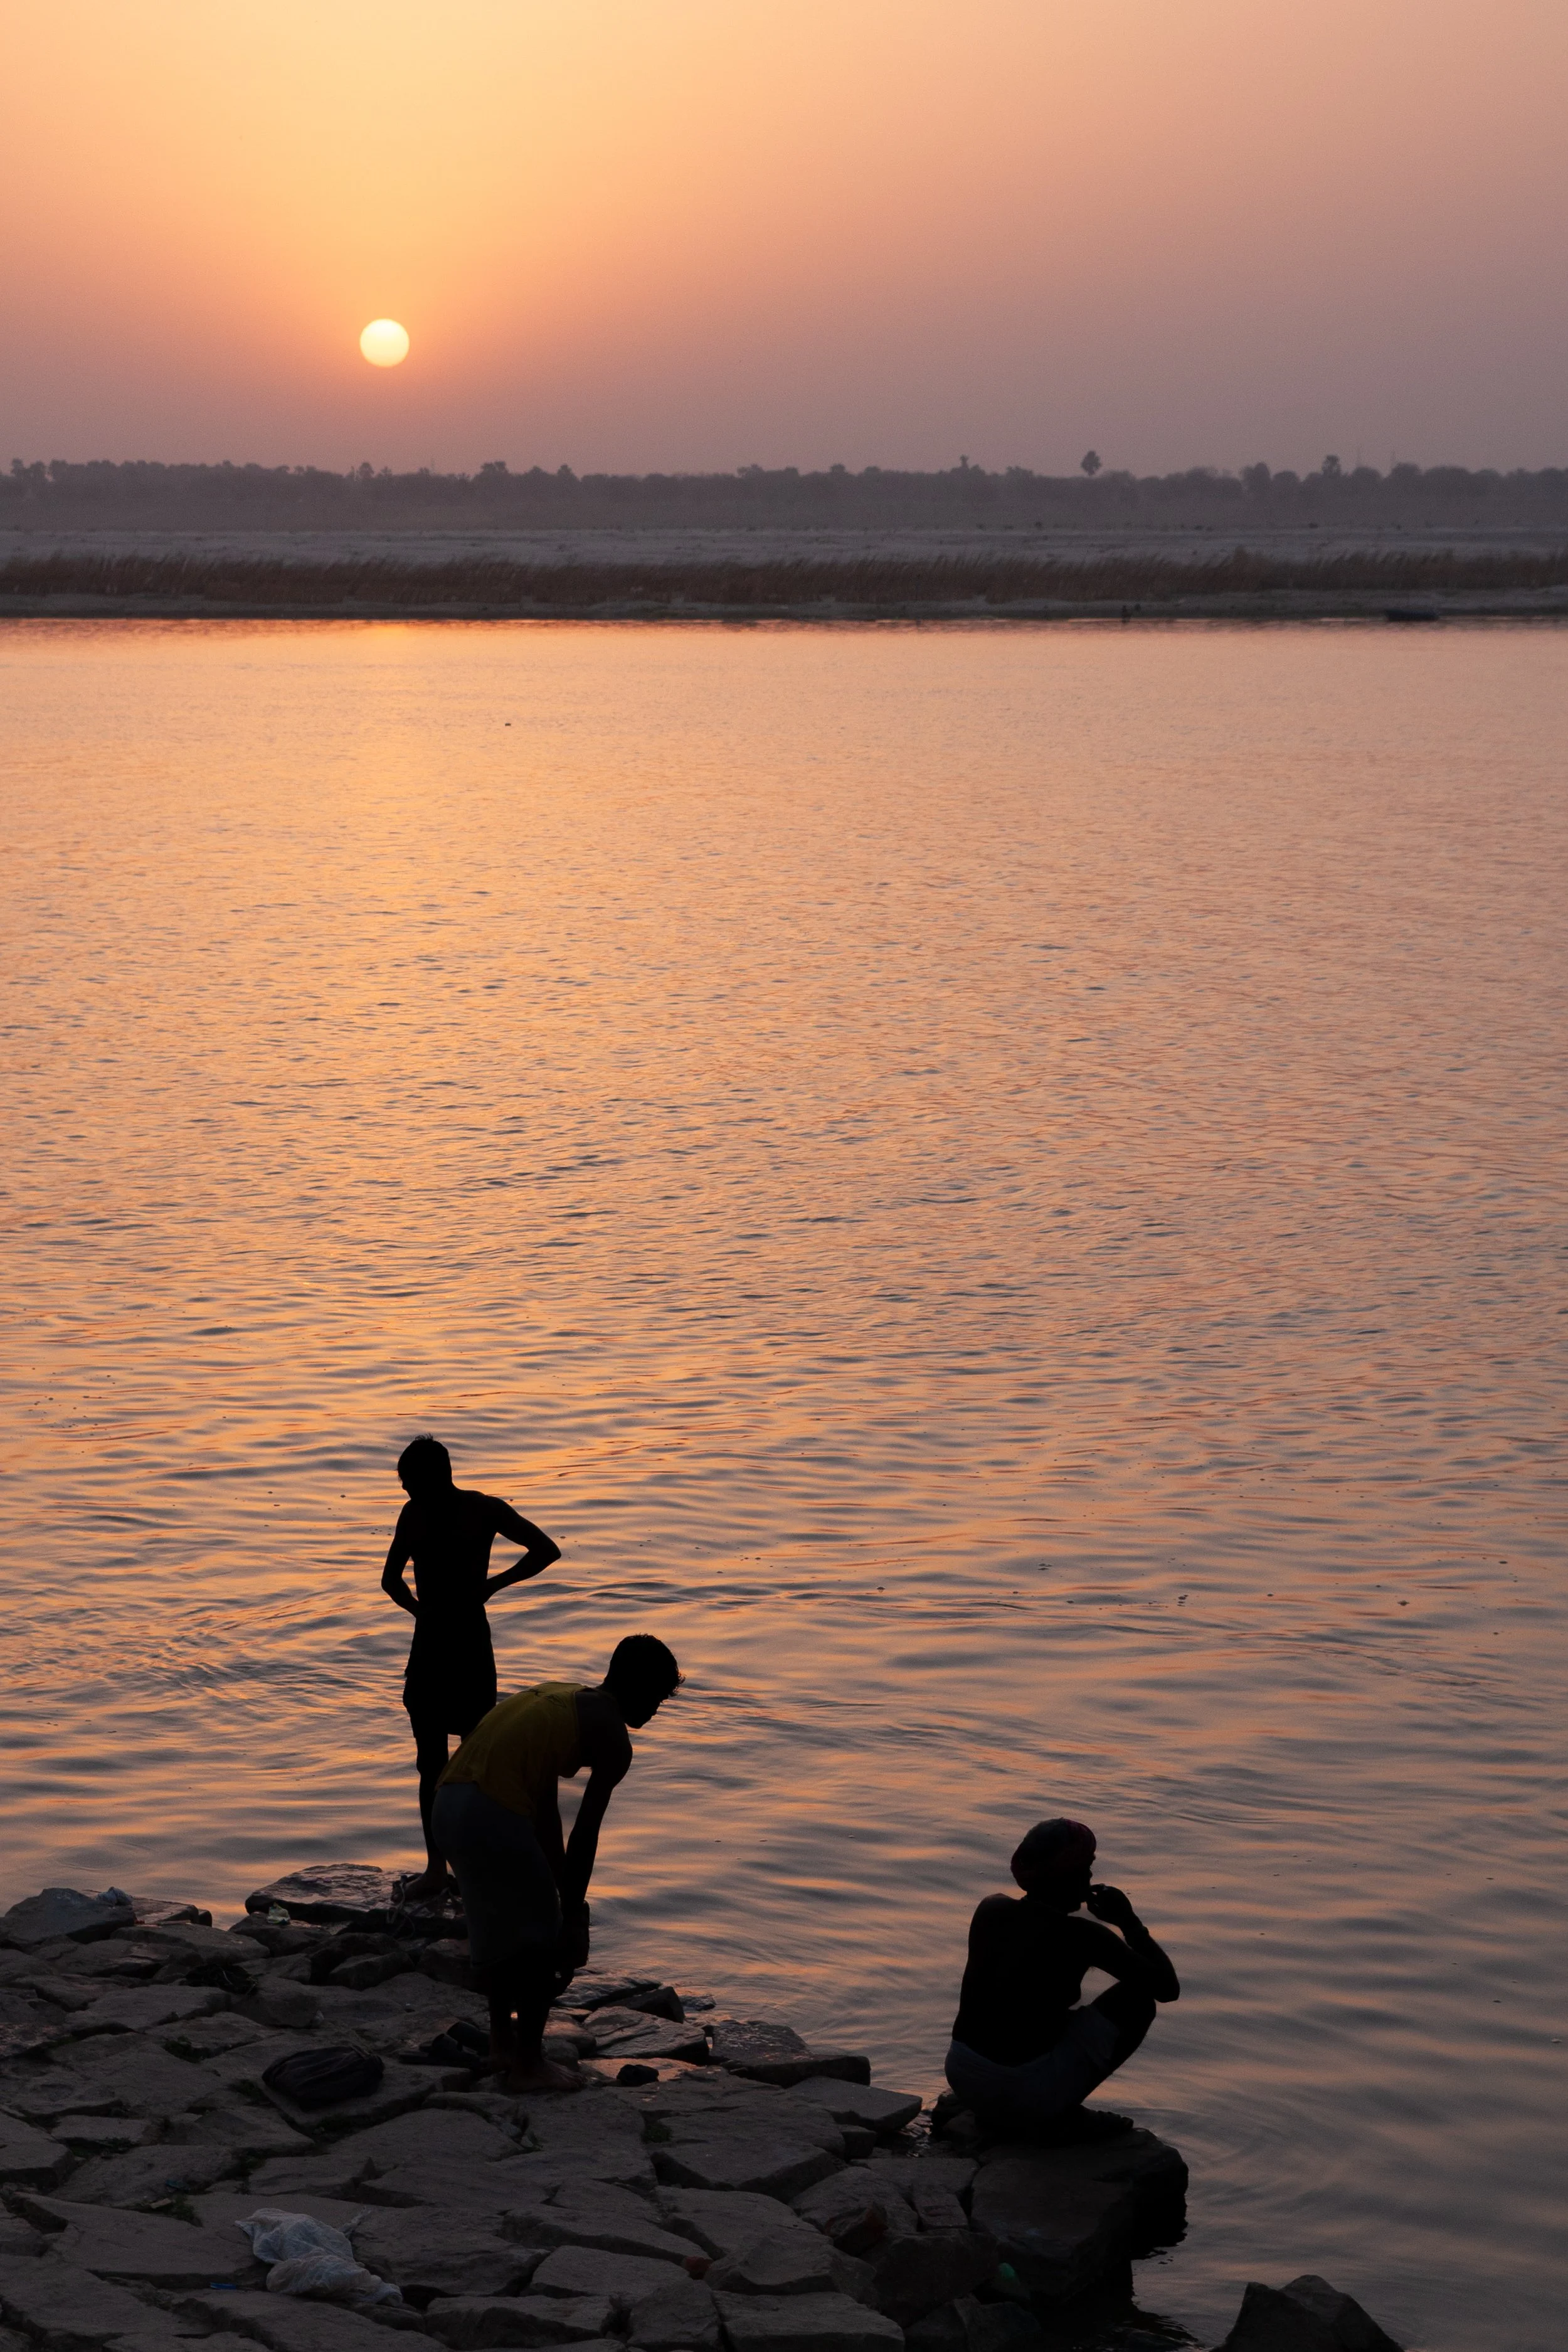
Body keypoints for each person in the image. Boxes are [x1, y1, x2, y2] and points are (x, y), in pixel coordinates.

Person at [432, 1634, 681, 2093]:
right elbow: (585, 1832)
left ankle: (502, 2043)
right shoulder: (613, 1736)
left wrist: (560, 1887)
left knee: (501, 1930)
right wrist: (569, 1914)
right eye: (659, 1696)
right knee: (540, 1938)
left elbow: (545, 1810)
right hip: (490, 1810)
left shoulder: (560, 1697)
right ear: (640, 1687)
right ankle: (529, 2064)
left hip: (448, 1805)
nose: (658, 1708)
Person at [381, 1434, 561, 1901]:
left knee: (448, 1763)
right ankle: (449, 1870)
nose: (406, 1493)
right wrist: (485, 1589)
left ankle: (448, 1869)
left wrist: (434, 1607)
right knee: (458, 1760)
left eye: (410, 1483)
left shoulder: (445, 1512)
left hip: (446, 1643)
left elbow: (391, 1582)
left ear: (431, 1477)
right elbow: (544, 1550)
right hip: (456, 1641)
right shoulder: (470, 1511)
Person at [945, 1817, 1179, 2139]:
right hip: (1020, 2094)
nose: (1090, 1876)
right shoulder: (1083, 1935)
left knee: (1037, 2013)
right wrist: (1129, 1922)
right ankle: (1057, 2116)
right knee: (1138, 2001)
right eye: (1085, 1867)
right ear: (1066, 1874)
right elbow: (1167, 1989)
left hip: (963, 2074)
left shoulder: (991, 1908)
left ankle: (1004, 2107)